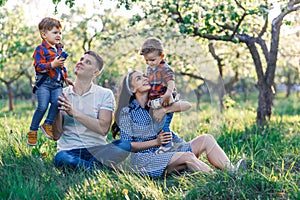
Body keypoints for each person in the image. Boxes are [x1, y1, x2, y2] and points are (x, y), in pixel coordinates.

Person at [112, 70, 245, 177]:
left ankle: (234, 173)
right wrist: (156, 142)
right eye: (138, 78)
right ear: (132, 89)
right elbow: (127, 145)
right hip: (145, 160)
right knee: (188, 157)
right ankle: (219, 180)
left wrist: (165, 109)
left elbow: (187, 105)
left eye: (144, 76)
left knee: (206, 139)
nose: (145, 78)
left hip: (167, 152)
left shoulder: (156, 103)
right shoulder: (127, 112)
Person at [52, 50, 130, 171]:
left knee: (124, 145)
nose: (81, 63)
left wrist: (74, 113)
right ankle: (101, 170)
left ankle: (87, 168)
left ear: (96, 72)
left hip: (98, 151)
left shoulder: (104, 94)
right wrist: (54, 108)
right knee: (61, 158)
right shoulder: (62, 94)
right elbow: (56, 135)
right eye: (81, 59)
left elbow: (103, 129)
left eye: (87, 62)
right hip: (69, 151)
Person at [27, 17, 72, 146]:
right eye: (55, 32)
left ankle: (47, 124)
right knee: (42, 106)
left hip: (57, 83)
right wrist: (52, 64)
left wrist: (66, 77)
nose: (58, 35)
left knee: (58, 102)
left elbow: (62, 67)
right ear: (44, 34)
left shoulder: (59, 49)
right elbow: (38, 67)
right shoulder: (40, 49)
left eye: (60, 33)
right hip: (44, 84)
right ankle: (32, 131)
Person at [139, 37, 183, 154]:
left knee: (162, 124)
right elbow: (150, 85)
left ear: (162, 56)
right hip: (156, 102)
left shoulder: (165, 68)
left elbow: (170, 81)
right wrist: (149, 99)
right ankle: (177, 141)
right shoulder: (149, 69)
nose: (149, 63)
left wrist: (168, 93)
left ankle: (167, 145)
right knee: (157, 124)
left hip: (165, 100)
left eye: (152, 60)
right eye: (146, 60)